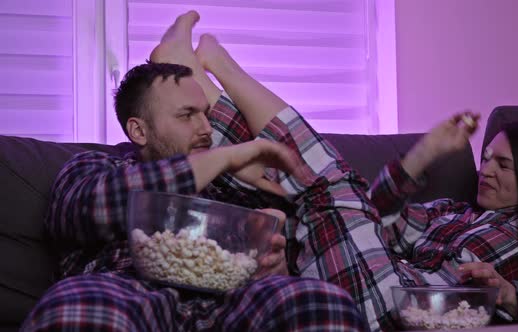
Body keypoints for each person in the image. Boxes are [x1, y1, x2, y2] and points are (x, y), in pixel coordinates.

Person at [20, 11, 369, 332]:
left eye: (206, 113)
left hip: (226, 305)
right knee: (79, 308)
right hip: (125, 292)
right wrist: (224, 157)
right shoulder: (95, 167)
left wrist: (276, 266)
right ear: (138, 131)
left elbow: (321, 205)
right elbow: (86, 208)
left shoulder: (231, 188)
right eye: (187, 116)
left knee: (318, 301)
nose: (206, 128)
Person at [370, 117, 518, 322]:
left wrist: (511, 297)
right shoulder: (448, 210)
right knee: (348, 208)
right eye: (485, 159)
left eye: (502, 165)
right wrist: (424, 154)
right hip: (382, 283)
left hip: (419, 312)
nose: (485, 171)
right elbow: (373, 220)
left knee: (338, 183)